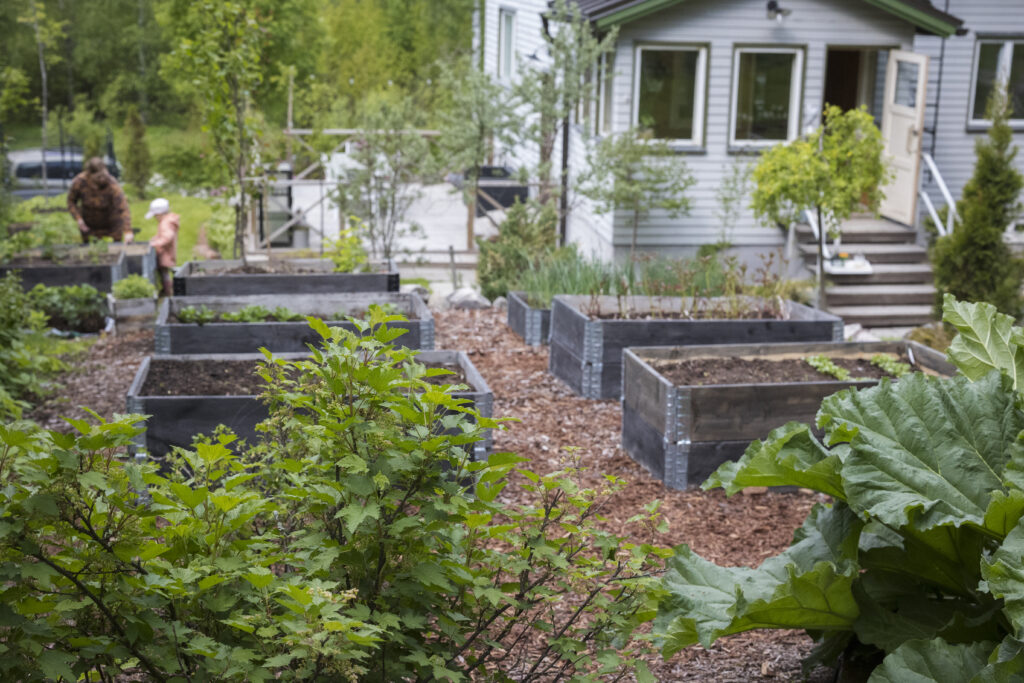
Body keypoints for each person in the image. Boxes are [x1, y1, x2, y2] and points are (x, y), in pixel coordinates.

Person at [66, 157, 133, 243]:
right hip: (89, 226)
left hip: (111, 225)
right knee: (91, 252)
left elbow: (123, 207)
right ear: (89, 174)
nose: (102, 179)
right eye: (98, 177)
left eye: (103, 175)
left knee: (115, 251)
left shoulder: (112, 183)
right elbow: (71, 201)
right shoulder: (80, 182)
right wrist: (78, 218)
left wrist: (127, 230)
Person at [145, 197, 179, 296]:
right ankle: (166, 290)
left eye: (155, 215)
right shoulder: (167, 221)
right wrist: (155, 238)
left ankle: (168, 292)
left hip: (165, 254)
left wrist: (154, 243)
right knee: (163, 273)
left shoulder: (165, 223)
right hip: (167, 252)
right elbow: (163, 235)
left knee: (165, 274)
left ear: (160, 214)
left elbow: (167, 237)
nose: (155, 218)